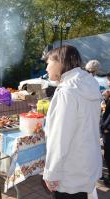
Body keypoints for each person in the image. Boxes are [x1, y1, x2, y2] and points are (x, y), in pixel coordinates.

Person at [43, 45, 102, 199]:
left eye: (48, 63)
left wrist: (51, 173)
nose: (47, 68)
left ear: (60, 62)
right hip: (86, 165)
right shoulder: (89, 84)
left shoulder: (67, 91)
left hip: (69, 171)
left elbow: (59, 138)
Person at [100, 73, 110, 187]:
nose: (108, 82)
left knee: (108, 155)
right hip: (106, 128)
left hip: (108, 129)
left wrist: (105, 127)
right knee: (107, 154)